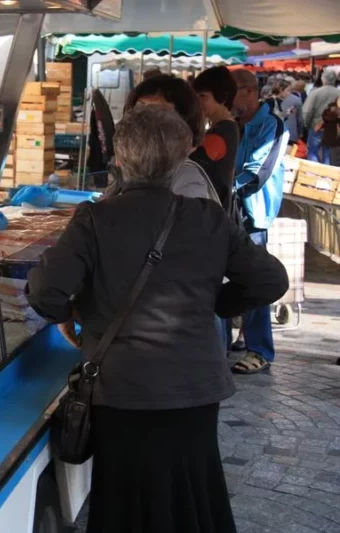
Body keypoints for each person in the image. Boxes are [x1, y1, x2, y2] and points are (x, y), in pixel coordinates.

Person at [26, 105, 288, 533]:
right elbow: (270, 280)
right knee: (192, 492)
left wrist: (72, 314)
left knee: (126, 501)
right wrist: (214, 303)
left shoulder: (95, 218)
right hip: (194, 388)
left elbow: (44, 291)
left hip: (122, 389)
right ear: (182, 157)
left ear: (120, 158)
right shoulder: (208, 217)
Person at [229, 68, 290, 374]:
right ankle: (234, 339)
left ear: (250, 91)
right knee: (225, 277)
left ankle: (260, 349)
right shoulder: (232, 124)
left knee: (254, 280)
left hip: (253, 215)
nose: (229, 98)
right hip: (228, 211)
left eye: (233, 91)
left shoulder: (272, 125)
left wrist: (226, 188)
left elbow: (259, 171)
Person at [108, 75, 220, 203]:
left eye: (157, 112)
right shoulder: (132, 167)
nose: (143, 119)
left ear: (183, 123)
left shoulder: (186, 177)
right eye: (139, 109)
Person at [192, 66, 241, 211]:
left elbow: (193, 163)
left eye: (203, 97)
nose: (198, 102)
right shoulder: (228, 126)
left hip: (212, 210)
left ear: (223, 97)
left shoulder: (221, 132)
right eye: (197, 97)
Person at [303, 69, 340, 164]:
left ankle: (313, 172)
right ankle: (325, 174)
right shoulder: (338, 93)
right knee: (327, 152)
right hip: (332, 127)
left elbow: (307, 111)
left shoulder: (315, 93)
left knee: (312, 151)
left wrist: (306, 124)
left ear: (323, 79)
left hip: (316, 126)